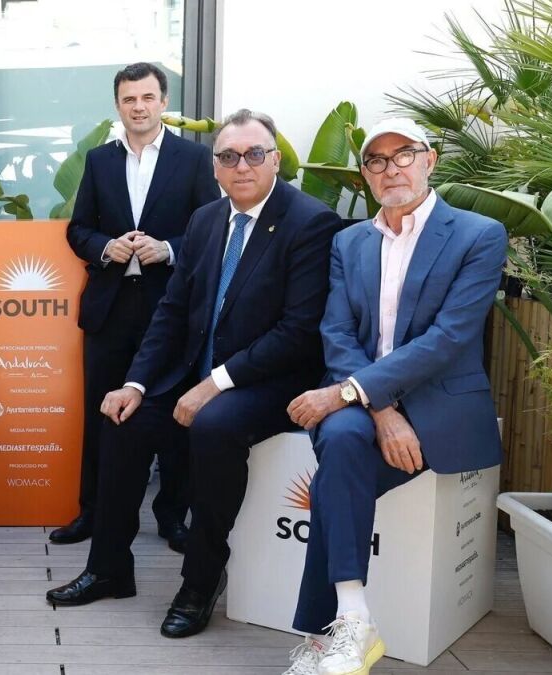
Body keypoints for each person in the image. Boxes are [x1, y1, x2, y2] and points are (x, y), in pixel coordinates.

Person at [47, 109, 343, 639]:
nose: (241, 166)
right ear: (215, 167)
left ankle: (200, 582)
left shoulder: (309, 221)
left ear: (275, 159)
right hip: (195, 374)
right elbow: (172, 311)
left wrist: (215, 384)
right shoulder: (206, 220)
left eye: (254, 154)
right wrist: (135, 383)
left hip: (266, 383)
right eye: (228, 156)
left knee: (212, 428)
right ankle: (109, 568)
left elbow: (298, 332)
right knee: (122, 417)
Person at [280, 118, 505, 675]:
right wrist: (379, 409)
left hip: (438, 405)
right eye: (376, 160)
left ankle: (322, 635)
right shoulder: (349, 241)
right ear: (365, 176)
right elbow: (337, 331)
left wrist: (354, 392)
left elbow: (449, 337)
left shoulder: (479, 234)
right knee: (340, 439)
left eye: (403, 154)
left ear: (430, 160)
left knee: (333, 475)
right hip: (365, 405)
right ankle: (354, 620)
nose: (391, 168)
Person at [55, 62, 220, 552]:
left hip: (170, 309)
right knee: (100, 416)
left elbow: (213, 229)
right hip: (109, 309)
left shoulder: (195, 158)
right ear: (118, 105)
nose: (139, 107)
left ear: (163, 102)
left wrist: (167, 249)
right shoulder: (99, 160)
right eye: (129, 99)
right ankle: (93, 512)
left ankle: (172, 516)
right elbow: (78, 230)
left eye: (148, 97)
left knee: (171, 415)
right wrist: (107, 246)